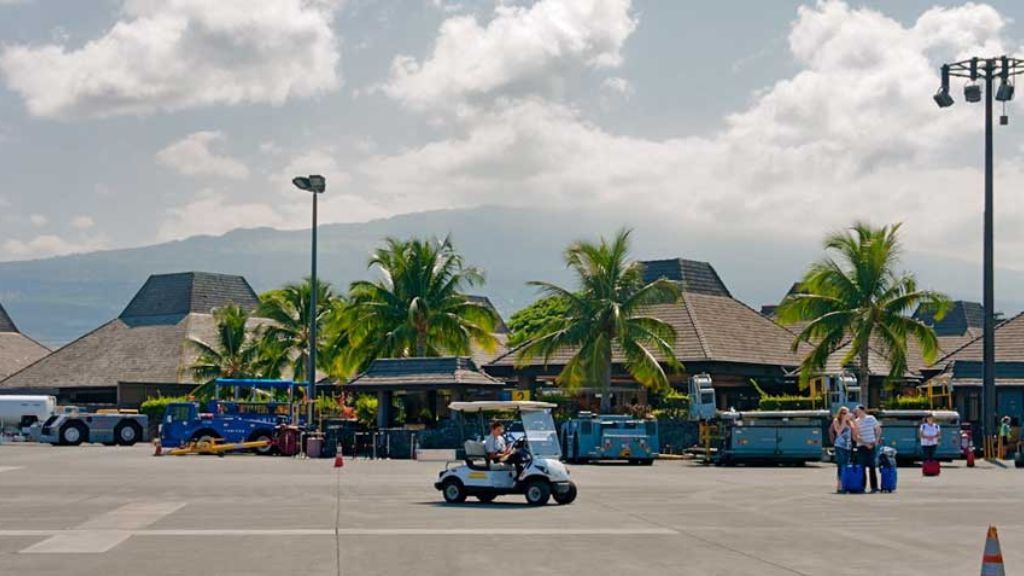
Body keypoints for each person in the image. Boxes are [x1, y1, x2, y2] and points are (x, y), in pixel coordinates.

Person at [854, 405, 882, 493]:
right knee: (862, 467)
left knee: (872, 466)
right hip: (861, 446)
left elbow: (878, 429)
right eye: (856, 412)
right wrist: (865, 444)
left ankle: (874, 487)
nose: (857, 413)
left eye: (858, 411)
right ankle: (862, 487)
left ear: (863, 411)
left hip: (872, 444)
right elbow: (856, 435)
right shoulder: (856, 421)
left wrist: (876, 440)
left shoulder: (871, 418)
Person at [830, 406, 855, 493]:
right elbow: (839, 431)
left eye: (846, 413)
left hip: (848, 446)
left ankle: (846, 484)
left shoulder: (850, 422)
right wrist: (844, 421)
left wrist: (853, 420)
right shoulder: (836, 421)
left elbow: (854, 431)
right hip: (840, 445)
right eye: (843, 413)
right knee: (841, 465)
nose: (845, 415)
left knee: (847, 465)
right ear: (840, 413)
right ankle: (839, 485)